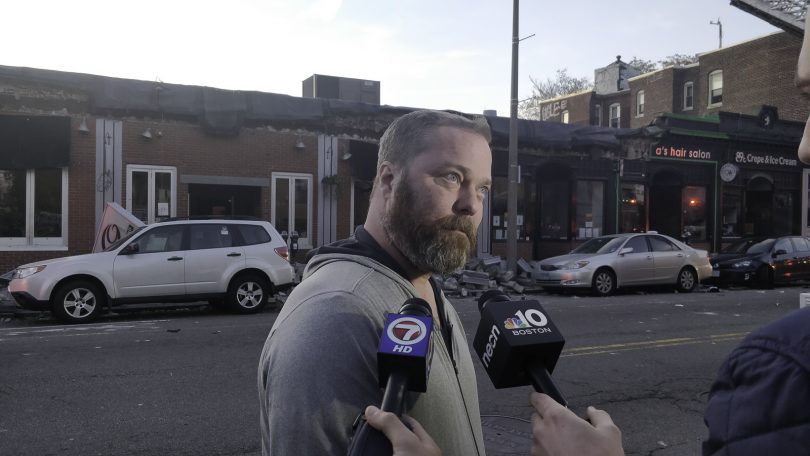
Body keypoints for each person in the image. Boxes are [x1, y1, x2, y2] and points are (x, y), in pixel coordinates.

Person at [257, 109, 492, 455]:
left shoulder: (421, 283)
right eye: (451, 177)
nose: (471, 205)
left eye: (483, 188)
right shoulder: (333, 316)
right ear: (388, 180)